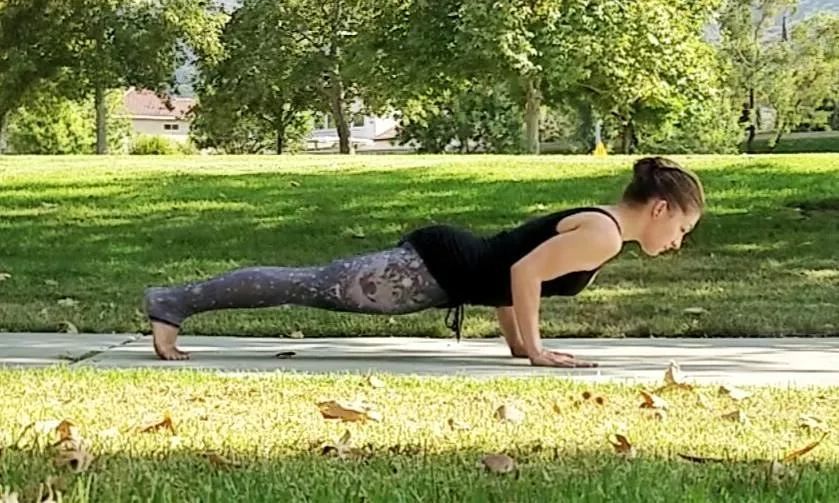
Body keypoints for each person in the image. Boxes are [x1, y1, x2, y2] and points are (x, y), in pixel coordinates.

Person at [144, 156, 704, 367]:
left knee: (305, 284)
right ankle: (173, 303)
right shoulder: (603, 235)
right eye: (681, 228)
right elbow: (522, 273)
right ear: (659, 209)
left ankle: (175, 303)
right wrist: (534, 352)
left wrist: (516, 343)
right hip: (431, 267)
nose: (678, 242)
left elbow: (511, 272)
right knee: (304, 284)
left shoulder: (602, 226)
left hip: (444, 268)